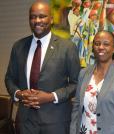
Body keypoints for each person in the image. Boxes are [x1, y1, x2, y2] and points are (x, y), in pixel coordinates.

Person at [5, 1, 80, 134]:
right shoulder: (18, 46)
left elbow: (76, 83)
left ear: (51, 19)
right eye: (33, 17)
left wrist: (51, 96)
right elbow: (10, 78)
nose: (37, 20)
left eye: (42, 16)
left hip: (56, 122)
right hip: (25, 121)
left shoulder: (67, 47)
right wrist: (19, 94)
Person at [70, 30, 114, 134]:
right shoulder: (84, 73)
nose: (101, 47)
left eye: (106, 44)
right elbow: (76, 107)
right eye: (97, 43)